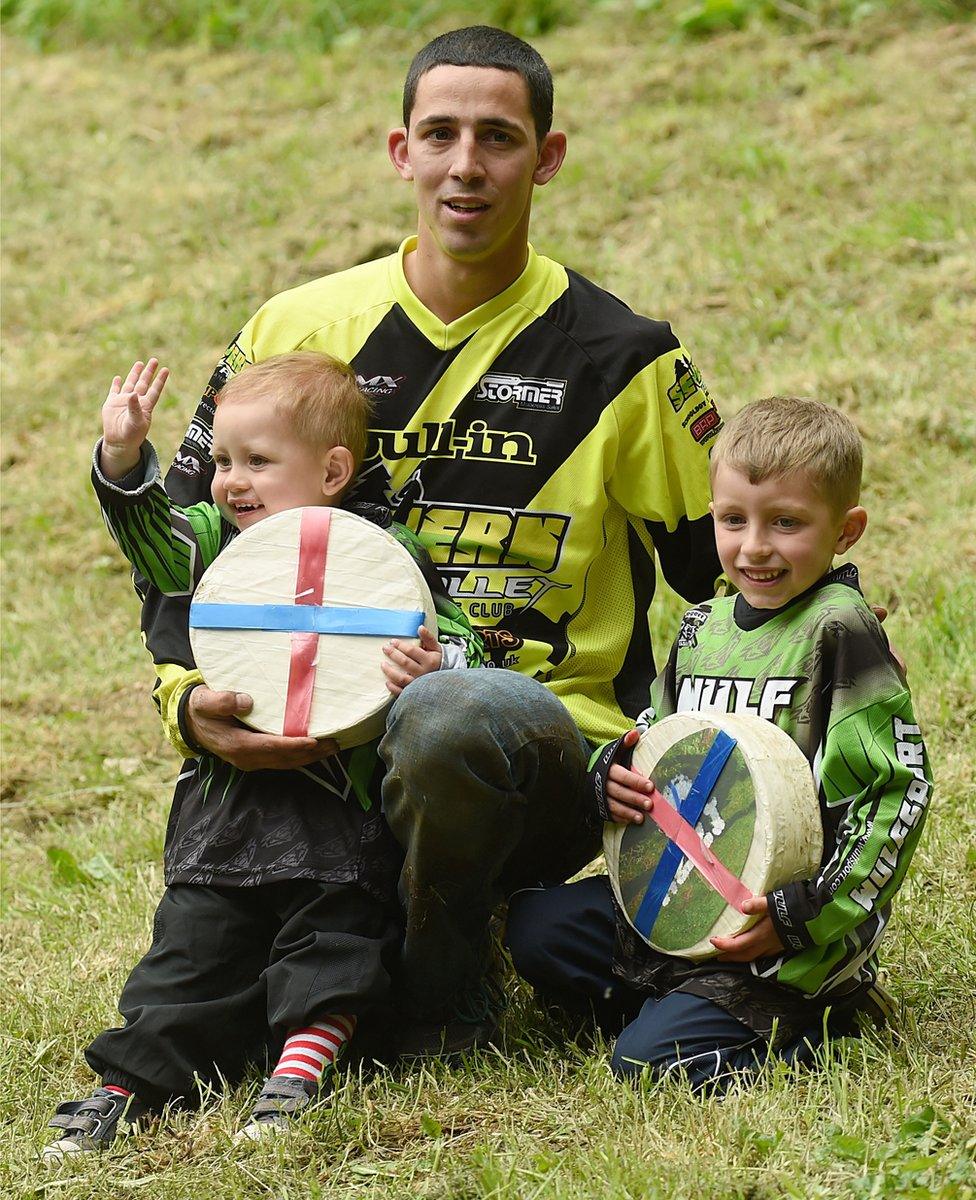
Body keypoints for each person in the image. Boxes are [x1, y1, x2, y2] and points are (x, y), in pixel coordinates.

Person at [135, 26, 724, 1054]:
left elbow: (730, 585)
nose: (466, 165)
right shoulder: (293, 329)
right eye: (440, 134)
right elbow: (188, 549)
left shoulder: (623, 358)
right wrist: (185, 701)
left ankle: (440, 1000)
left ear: (546, 159)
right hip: (316, 738)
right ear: (400, 150)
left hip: (544, 752)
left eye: (497, 138)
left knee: (446, 710)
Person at [43, 351, 483, 1159]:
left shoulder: (385, 555)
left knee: (333, 941)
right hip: (227, 811)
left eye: (258, 462)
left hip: (339, 806)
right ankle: (122, 1090)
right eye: (221, 462)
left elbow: (455, 641)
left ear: (332, 470)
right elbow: (155, 545)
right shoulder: (215, 543)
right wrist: (123, 459)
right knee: (189, 952)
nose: (231, 482)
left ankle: (297, 1074)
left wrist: (436, 665)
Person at [506, 396, 932, 1089]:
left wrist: (808, 915)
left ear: (845, 530)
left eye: (786, 524)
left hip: (785, 933)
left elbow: (898, 791)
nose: (755, 546)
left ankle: (827, 1018)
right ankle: (683, 997)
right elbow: (661, 734)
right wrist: (613, 769)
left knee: (646, 1066)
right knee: (534, 927)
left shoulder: (840, 631)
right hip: (687, 902)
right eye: (734, 520)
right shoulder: (703, 625)